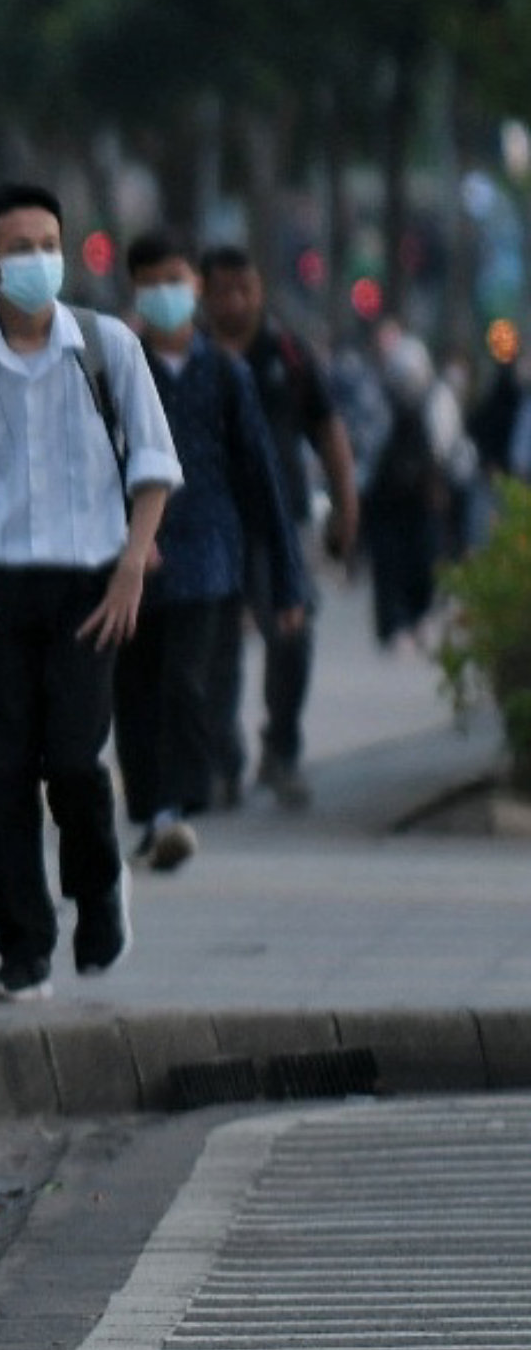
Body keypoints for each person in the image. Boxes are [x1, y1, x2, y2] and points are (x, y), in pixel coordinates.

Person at [0, 181, 178, 1007]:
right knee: (2, 777)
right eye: (20, 248)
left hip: (90, 587)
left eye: (49, 244)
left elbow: (154, 465)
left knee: (72, 760)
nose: (39, 261)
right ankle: (22, 948)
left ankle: (98, 891)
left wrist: (133, 562)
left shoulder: (107, 349)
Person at [111, 232, 309, 872]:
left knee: (187, 685)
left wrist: (286, 582)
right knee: (134, 691)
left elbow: (261, 478)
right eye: (152, 282)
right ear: (135, 291)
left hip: (207, 554)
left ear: (194, 285)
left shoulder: (228, 373)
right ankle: (150, 810)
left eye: (177, 279)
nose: (166, 293)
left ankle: (176, 807)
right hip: (129, 559)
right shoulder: (117, 368)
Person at [196, 246, 355, 810]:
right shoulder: (189, 353)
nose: (236, 301)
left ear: (260, 289)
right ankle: (220, 763)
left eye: (246, 289)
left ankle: (280, 749)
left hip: (279, 523)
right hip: (207, 525)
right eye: (223, 290)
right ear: (204, 293)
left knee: (292, 633)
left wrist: (346, 507)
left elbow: (329, 430)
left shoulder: (288, 352)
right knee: (214, 650)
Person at [358, 325, 471, 651]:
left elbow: (448, 446)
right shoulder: (380, 398)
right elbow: (369, 447)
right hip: (389, 499)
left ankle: (418, 619)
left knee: (424, 561)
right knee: (389, 566)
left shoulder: (438, 398)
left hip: (423, 497)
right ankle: (394, 626)